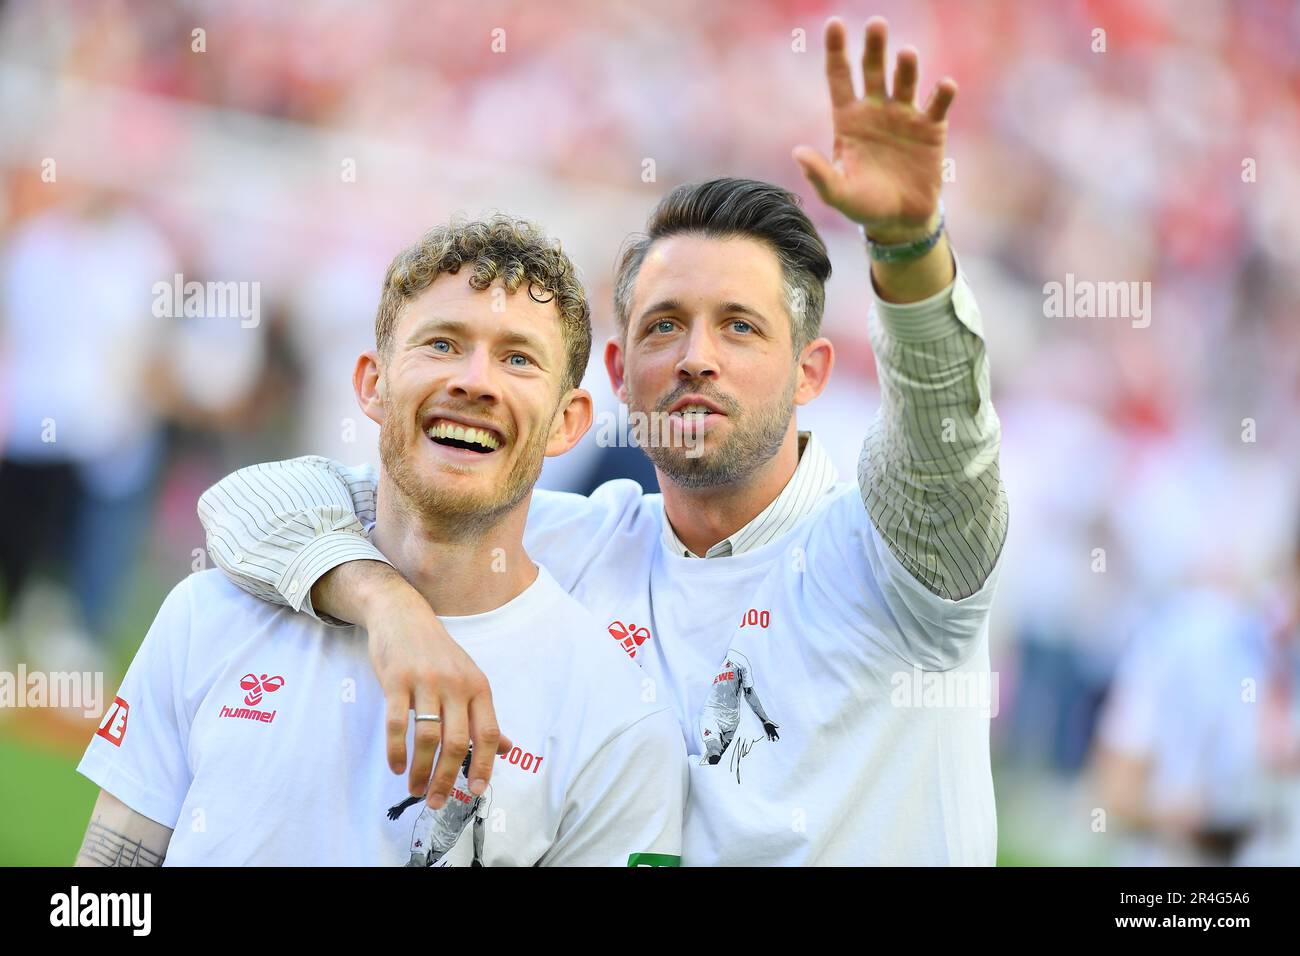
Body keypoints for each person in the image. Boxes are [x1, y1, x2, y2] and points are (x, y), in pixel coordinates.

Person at [196, 17, 1008, 864]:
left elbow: (947, 437)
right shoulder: (570, 542)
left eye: (739, 328)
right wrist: (386, 604)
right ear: (617, 374)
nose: (697, 358)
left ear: (810, 373)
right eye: (665, 327)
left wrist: (910, 253)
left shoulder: (894, 560)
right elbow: (256, 503)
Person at [74, 215, 687, 867]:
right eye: (443, 344)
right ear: (372, 384)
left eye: (517, 358)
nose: (475, 381)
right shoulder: (207, 614)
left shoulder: (622, 727)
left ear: (569, 422)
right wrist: (388, 604)